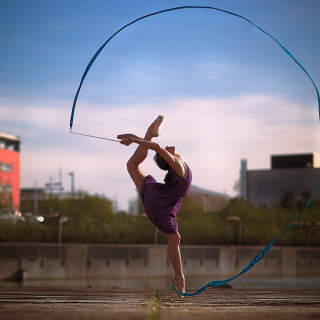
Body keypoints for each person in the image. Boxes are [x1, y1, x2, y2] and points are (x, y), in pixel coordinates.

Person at [117, 115, 192, 295]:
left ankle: (151, 133)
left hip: (161, 199)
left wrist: (136, 139)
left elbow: (158, 149)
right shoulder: (178, 166)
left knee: (132, 165)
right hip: (160, 203)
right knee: (175, 239)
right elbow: (157, 148)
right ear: (169, 159)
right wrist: (135, 140)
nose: (167, 148)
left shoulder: (178, 163)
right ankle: (179, 278)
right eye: (165, 152)